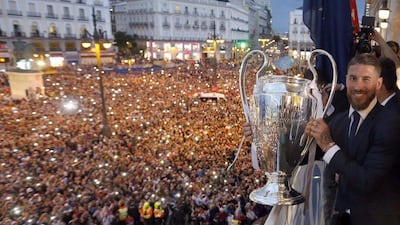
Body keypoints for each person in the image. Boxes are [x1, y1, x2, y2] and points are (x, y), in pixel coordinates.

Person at [305, 53, 400, 225]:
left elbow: (367, 181)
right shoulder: (340, 121)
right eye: (353, 78)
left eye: (366, 79)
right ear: (346, 80)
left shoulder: (391, 123)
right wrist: (265, 138)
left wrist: (328, 145)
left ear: (378, 83)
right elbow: (307, 155)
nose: (358, 86)